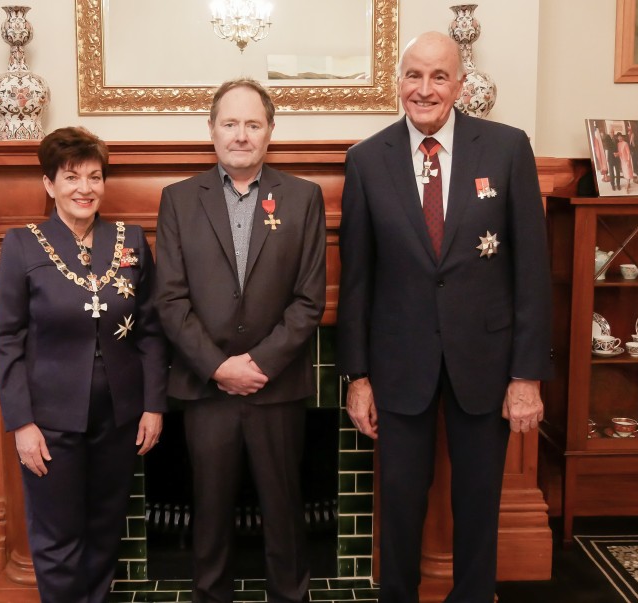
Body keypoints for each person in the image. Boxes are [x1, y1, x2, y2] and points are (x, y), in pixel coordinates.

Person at [337, 32, 552, 603]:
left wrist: (526, 375)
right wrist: (357, 378)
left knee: (479, 502)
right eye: (414, 75)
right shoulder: (365, 160)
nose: (425, 89)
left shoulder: (507, 149)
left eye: (438, 77)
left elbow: (531, 270)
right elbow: (357, 282)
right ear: (398, 82)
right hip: (398, 365)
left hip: (485, 363)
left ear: (460, 84)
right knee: (401, 503)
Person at [155, 78, 326, 603]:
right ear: (212, 131)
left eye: (253, 124)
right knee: (209, 515)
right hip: (207, 390)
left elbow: (309, 299)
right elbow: (170, 300)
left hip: (276, 387)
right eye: (230, 123)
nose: (241, 135)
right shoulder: (179, 200)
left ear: (270, 131)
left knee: (284, 512)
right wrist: (218, 367)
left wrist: (259, 363)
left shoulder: (303, 197)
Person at [0, 126, 167, 603]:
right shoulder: (22, 244)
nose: (85, 188)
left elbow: (150, 327)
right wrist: (21, 423)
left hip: (120, 415)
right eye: (71, 177)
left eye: (94, 177)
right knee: (57, 536)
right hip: (49, 422)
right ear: (49, 184)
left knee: (105, 528)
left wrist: (154, 404)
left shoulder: (129, 239)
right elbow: (6, 340)